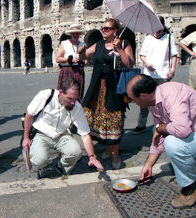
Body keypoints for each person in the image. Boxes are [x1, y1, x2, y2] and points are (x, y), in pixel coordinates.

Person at [126, 74, 196, 208]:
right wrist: (148, 166)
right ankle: (195, 171)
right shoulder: (153, 102)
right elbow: (159, 136)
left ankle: (192, 189)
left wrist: (160, 128)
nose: (132, 103)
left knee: (172, 143)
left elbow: (182, 130)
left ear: (142, 96)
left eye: (131, 99)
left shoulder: (172, 94)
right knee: (166, 135)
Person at [22, 78, 104, 178]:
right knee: (39, 159)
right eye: (70, 98)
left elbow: (85, 134)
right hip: (41, 133)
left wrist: (92, 157)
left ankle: (62, 167)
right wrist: (26, 137)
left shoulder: (76, 107)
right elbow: (29, 115)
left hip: (61, 134)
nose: (73, 103)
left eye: (75, 98)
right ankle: (41, 167)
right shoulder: (46, 96)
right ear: (60, 92)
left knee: (76, 152)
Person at [82, 18, 134, 169]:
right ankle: (108, 148)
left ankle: (115, 153)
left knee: (115, 120)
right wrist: (81, 53)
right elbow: (84, 56)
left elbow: (129, 64)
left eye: (107, 29)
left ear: (115, 31)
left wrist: (120, 50)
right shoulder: (98, 45)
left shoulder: (124, 44)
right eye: (102, 28)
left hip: (115, 88)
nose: (103, 30)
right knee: (95, 119)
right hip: (97, 88)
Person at [134, 16, 178, 133]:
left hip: (163, 74)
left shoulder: (169, 38)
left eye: (159, 27)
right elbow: (142, 55)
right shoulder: (148, 38)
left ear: (163, 26)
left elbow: (174, 55)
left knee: (162, 102)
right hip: (149, 74)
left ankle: (163, 124)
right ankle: (141, 125)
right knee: (144, 101)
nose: (156, 31)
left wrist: (172, 70)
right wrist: (147, 63)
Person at [56, 24, 86, 99]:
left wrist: (84, 61)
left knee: (77, 94)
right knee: (65, 93)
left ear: (79, 34)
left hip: (78, 71)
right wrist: (69, 60)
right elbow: (58, 59)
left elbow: (85, 59)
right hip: (66, 71)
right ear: (71, 34)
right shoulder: (65, 43)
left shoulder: (83, 45)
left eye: (77, 33)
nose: (75, 34)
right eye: (74, 33)